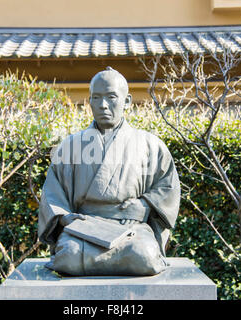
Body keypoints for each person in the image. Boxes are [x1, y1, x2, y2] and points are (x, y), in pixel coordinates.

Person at [38, 67, 180, 276]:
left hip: (132, 228)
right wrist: (67, 218)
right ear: (90, 101)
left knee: (145, 256)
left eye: (111, 97)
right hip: (83, 228)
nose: (103, 105)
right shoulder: (70, 146)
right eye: (96, 98)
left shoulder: (151, 145)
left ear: (127, 101)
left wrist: (144, 205)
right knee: (68, 256)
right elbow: (53, 193)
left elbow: (168, 185)